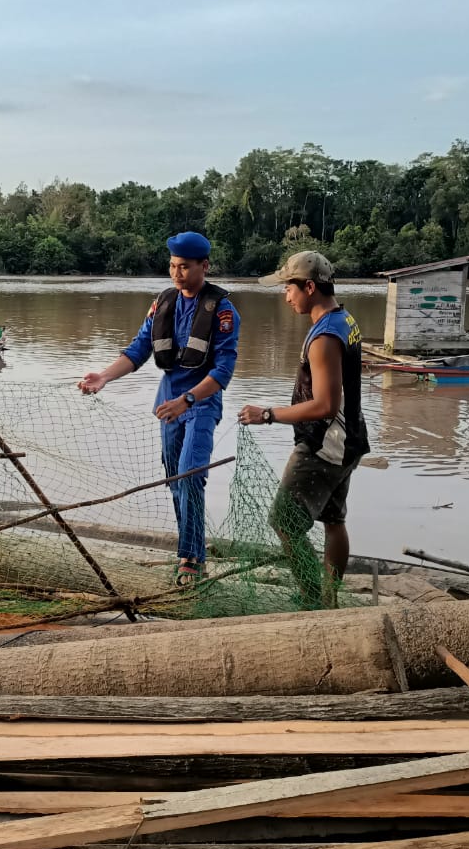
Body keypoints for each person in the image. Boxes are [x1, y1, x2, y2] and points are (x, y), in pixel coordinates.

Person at [79, 232, 240, 584]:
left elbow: (223, 371)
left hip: (200, 403)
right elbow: (138, 350)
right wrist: (104, 377)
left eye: (184, 266)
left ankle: (192, 558)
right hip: (168, 403)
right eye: (172, 266)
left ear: (204, 266)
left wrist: (189, 400)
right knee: (174, 480)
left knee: (190, 476)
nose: (177, 273)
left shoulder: (222, 311)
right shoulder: (163, 303)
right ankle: (189, 548)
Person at [237, 251, 369, 605]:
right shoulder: (345, 320)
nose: (286, 295)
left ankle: (312, 598)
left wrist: (266, 414)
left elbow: (325, 405)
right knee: (333, 519)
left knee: (283, 522)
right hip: (352, 438)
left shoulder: (324, 336)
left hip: (326, 445)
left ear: (310, 287)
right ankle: (330, 597)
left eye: (289, 288)